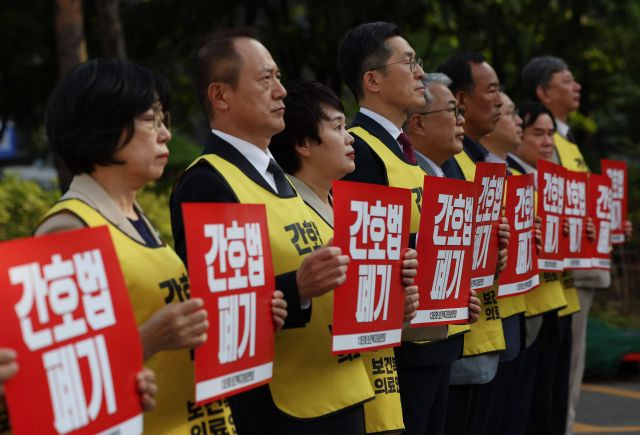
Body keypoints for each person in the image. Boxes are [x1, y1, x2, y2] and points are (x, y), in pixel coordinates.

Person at [170, 28, 373, 434]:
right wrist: (296, 286)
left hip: (341, 389)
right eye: (266, 79)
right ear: (220, 96)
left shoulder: (278, 175)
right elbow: (218, 311)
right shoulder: (208, 182)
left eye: (278, 77)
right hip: (280, 409)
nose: (281, 91)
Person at [34, 58, 251, 433]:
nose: (165, 133)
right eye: (150, 120)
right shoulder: (70, 228)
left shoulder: (134, 215)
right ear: (102, 125)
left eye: (162, 119)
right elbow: (58, 379)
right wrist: (148, 341)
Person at [338, 22, 480, 434]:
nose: (421, 72)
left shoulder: (408, 153)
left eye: (419, 62)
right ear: (373, 81)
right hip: (401, 352)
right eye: (409, 62)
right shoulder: (359, 149)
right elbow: (370, 257)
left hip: (436, 339)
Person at [269, 78, 422, 434]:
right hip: (310, 398)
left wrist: (397, 304)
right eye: (337, 127)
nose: (350, 136)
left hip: (367, 385)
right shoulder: (283, 212)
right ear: (304, 144)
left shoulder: (351, 209)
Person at [435, 53, 521, 435]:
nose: (500, 103)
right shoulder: (448, 166)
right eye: (492, 90)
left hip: (489, 323)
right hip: (451, 337)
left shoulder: (478, 164)